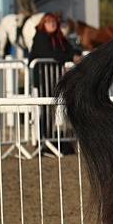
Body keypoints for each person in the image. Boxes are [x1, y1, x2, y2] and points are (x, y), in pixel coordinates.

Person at [27, 13, 82, 152]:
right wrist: (70, 56)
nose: (52, 24)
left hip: (54, 78)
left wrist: (75, 54)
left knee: (52, 109)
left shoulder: (59, 37)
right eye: (49, 22)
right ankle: (43, 140)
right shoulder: (40, 37)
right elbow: (49, 54)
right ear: (43, 24)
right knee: (44, 110)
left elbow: (69, 49)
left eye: (54, 22)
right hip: (42, 79)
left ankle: (52, 139)